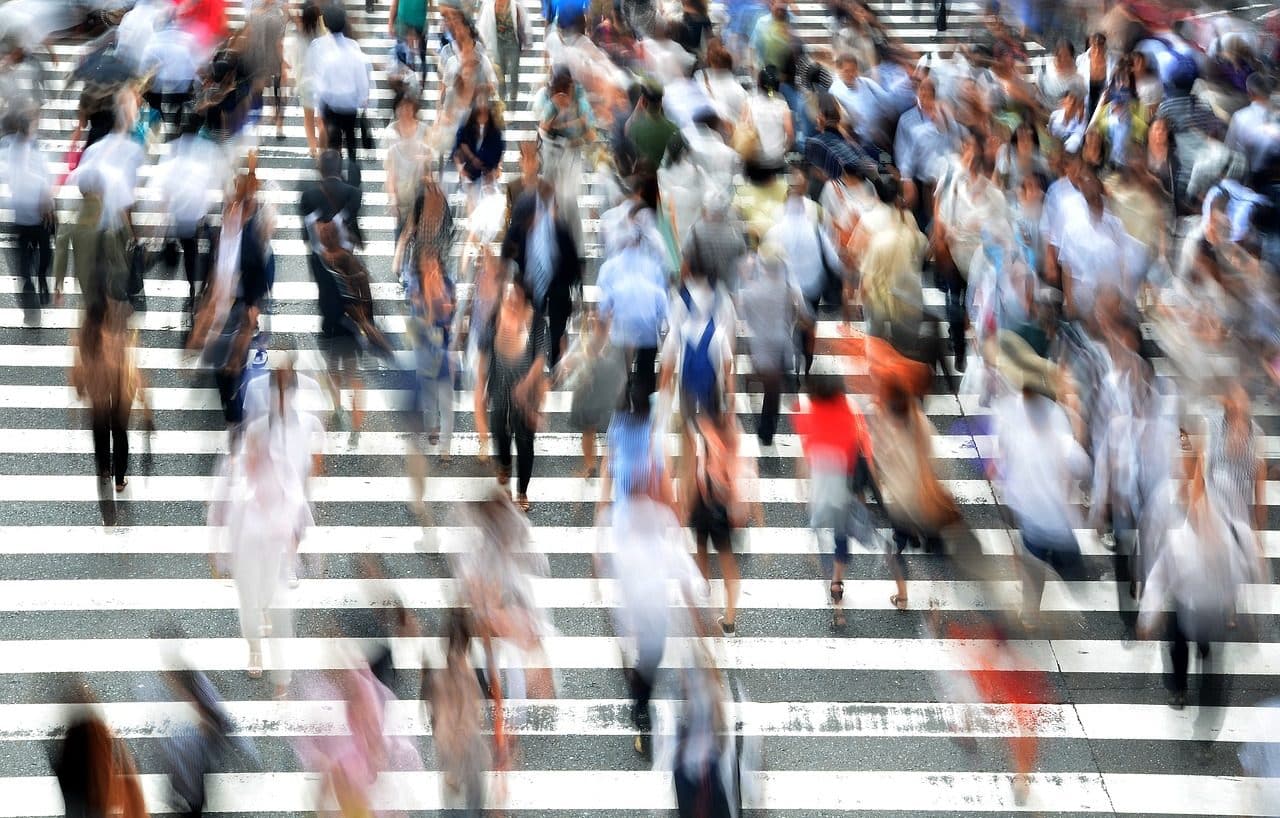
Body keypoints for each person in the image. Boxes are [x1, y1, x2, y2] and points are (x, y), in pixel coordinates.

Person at [794, 374, 873, 628]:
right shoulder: (850, 411)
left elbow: (806, 453)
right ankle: (837, 583)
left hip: (820, 489)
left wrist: (801, 484)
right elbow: (863, 448)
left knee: (819, 532)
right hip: (844, 489)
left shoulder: (810, 413)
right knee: (841, 537)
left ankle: (828, 574)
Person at [475, 281, 549, 512]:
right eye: (508, 295)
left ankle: (522, 491)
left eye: (515, 296)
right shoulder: (497, 314)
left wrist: (526, 384)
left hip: (526, 394)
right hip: (499, 385)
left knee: (525, 442)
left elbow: (540, 358)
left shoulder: (536, 322)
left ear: (525, 299)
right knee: (498, 428)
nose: (510, 300)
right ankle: (505, 463)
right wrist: (482, 384)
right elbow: (484, 349)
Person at [70, 301, 152, 495]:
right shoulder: (117, 331)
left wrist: (79, 386)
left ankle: (104, 469)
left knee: (99, 429)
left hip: (97, 386)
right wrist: (144, 399)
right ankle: (119, 478)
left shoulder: (86, 334)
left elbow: (78, 364)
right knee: (120, 432)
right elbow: (131, 367)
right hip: (120, 388)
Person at [503, 179, 582, 369]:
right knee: (530, 327)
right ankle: (530, 363)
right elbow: (507, 249)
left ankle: (552, 363)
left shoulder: (559, 228)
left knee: (556, 329)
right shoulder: (521, 227)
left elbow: (573, 262)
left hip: (558, 288)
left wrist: (576, 289)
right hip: (529, 286)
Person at [557, 309, 626, 477]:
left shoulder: (612, 338)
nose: (592, 317)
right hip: (590, 389)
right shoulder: (590, 336)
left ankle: (598, 465)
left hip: (599, 388)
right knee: (591, 430)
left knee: (599, 429)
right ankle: (591, 465)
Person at [1, 110, 54, 308]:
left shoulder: (28, 147)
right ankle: (36, 279)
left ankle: (34, 279)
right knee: (41, 251)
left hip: (27, 212)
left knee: (29, 252)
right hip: (33, 212)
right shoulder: (15, 148)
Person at [307, 5, 372, 161]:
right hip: (350, 104)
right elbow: (362, 74)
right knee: (350, 138)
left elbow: (314, 72)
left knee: (332, 140)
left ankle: (331, 169)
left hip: (330, 103)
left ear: (326, 23)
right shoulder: (353, 46)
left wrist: (319, 103)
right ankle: (353, 167)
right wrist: (364, 97)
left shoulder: (317, 45)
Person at [477, 0, 531, 109]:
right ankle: (502, 99)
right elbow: (483, 28)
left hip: (513, 44)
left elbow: (524, 23)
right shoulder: (489, 7)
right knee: (500, 74)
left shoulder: (515, 5)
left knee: (514, 72)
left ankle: (513, 99)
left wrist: (527, 42)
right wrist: (485, 47)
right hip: (498, 45)